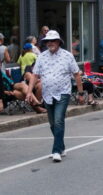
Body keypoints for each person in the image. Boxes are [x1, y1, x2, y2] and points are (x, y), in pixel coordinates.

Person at [26, 30, 85, 163]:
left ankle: (56, 150)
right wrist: (29, 92)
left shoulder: (67, 56)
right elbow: (35, 75)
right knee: (52, 123)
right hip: (47, 94)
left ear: (59, 42)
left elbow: (76, 74)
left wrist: (81, 93)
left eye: (53, 41)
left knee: (59, 120)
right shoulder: (41, 56)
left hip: (63, 92)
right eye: (48, 41)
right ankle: (61, 146)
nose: (50, 43)